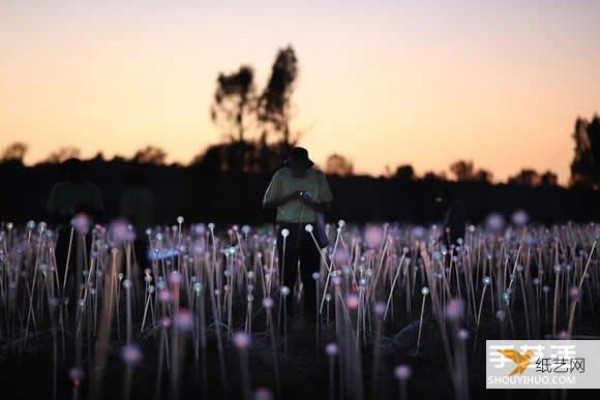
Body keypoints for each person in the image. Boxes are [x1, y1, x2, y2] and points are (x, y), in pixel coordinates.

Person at [262, 147, 334, 324]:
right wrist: (292, 196)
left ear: (306, 164)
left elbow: (327, 206)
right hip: (288, 230)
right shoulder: (280, 176)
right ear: (290, 163)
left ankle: (311, 321)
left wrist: (311, 203)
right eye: (294, 165)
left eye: (301, 165)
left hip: (312, 230)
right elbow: (267, 204)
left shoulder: (318, 177)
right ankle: (285, 320)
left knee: (311, 277)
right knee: (287, 276)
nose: (298, 169)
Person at [46, 158, 104, 299]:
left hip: (84, 236)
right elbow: (51, 212)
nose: (74, 174)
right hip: (65, 233)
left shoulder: (92, 189)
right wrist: (66, 216)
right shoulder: (59, 189)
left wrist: (83, 210)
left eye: (77, 171)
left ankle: (79, 302)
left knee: (82, 270)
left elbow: (100, 211)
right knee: (61, 270)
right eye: (71, 171)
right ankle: (60, 300)